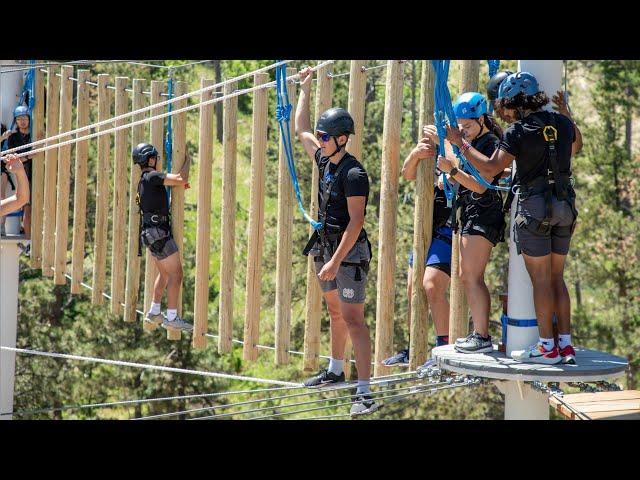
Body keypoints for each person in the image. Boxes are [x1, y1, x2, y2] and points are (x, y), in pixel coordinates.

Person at [456, 71, 583, 365]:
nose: (506, 112)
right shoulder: (563, 123)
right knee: (557, 279)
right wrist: (567, 114)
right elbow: (576, 146)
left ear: (516, 102)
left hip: (535, 207)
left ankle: (547, 347)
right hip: (564, 203)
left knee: (539, 280)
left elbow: (490, 168)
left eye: (507, 106)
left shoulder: (518, 131)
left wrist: (460, 145)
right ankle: (565, 345)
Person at [295, 66, 376, 416]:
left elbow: (356, 223)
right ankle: (335, 369)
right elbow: (299, 130)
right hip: (326, 246)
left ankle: (364, 390)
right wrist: (305, 88)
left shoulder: (354, 173)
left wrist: (335, 261)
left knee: (354, 319)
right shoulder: (324, 160)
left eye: (325, 137)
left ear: (342, 138)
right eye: (321, 136)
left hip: (348, 252)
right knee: (334, 312)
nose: (320, 140)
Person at [425, 92, 507, 353]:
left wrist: (451, 170)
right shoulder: (474, 142)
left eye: (468, 126)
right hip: (472, 213)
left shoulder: (489, 143)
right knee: (467, 276)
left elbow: (481, 186)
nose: (464, 131)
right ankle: (479, 333)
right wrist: (451, 172)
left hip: (483, 213)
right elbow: (466, 174)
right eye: (460, 127)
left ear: (482, 119)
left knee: (472, 276)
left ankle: (482, 335)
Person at [382, 142, 453, 367]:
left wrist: (450, 147)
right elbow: (408, 173)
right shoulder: (432, 144)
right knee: (413, 287)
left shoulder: (460, 143)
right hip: (426, 226)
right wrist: (415, 154)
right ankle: (413, 346)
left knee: (432, 285)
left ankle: (444, 346)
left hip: (449, 225)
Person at [133, 143, 193, 332]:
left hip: (149, 233)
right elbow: (182, 178)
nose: (157, 161)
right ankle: (172, 317)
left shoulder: (143, 181)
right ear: (150, 159)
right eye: (156, 158)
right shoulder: (152, 176)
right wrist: (188, 160)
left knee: (165, 274)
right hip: (159, 232)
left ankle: (154, 310)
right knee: (176, 274)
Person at [7, 106, 34, 246]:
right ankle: (29, 241)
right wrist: (29, 156)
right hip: (24, 175)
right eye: (19, 119)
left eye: (24, 118)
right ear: (16, 121)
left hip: (38, 173)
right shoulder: (13, 137)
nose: (22, 122)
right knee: (26, 207)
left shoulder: (35, 135)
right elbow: (11, 159)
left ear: (29, 119)